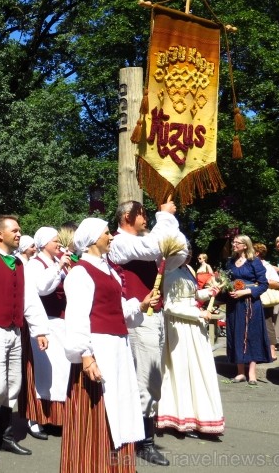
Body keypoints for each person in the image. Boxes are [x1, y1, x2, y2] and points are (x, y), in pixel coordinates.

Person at [61, 218, 151, 473]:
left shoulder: (109, 270)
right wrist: (86, 356)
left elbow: (113, 308)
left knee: (121, 402)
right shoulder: (80, 272)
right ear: (92, 239)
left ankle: (116, 466)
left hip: (117, 347)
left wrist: (139, 304)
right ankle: (91, 465)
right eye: (106, 233)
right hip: (98, 347)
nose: (111, 237)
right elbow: (77, 315)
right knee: (101, 408)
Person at [107, 199, 186, 466]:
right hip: (137, 317)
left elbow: (178, 253)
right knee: (146, 378)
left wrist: (171, 230)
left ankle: (140, 436)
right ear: (128, 216)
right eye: (142, 215)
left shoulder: (141, 242)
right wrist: (164, 216)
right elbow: (154, 245)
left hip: (153, 315)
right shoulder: (119, 242)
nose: (147, 219)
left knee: (151, 377)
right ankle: (143, 442)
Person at [0, 215, 48, 464]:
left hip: (14, 331)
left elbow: (29, 298)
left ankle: (4, 436)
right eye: (14, 230)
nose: (18, 234)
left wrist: (39, 329)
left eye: (19, 230)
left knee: (13, 385)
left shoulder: (20, 263)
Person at [156, 247, 224, 438]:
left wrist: (208, 292)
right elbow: (170, 305)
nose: (190, 255)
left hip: (194, 327)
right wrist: (198, 313)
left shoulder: (187, 270)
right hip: (180, 327)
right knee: (181, 370)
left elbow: (191, 296)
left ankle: (197, 416)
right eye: (185, 252)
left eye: (190, 252)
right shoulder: (169, 271)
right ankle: (181, 419)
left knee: (198, 370)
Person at [19, 226, 72, 441]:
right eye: (54, 241)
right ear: (43, 244)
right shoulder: (34, 264)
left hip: (61, 323)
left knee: (61, 373)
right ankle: (37, 417)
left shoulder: (56, 262)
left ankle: (56, 417)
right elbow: (41, 289)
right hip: (44, 323)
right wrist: (58, 267)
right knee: (44, 373)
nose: (58, 243)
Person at [225, 235, 271, 384]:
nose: (234, 244)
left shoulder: (254, 262)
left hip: (251, 303)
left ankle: (252, 373)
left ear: (245, 245)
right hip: (234, 304)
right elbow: (226, 281)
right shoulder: (230, 262)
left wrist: (245, 292)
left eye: (237, 242)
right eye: (233, 242)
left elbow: (264, 284)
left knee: (252, 335)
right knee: (236, 334)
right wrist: (227, 289)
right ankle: (240, 372)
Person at [254, 243, 279, 361]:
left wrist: (262, 281)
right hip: (251, 298)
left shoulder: (267, 266)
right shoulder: (247, 264)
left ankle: (272, 351)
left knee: (267, 324)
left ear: (257, 253)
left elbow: (277, 283)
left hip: (264, 299)